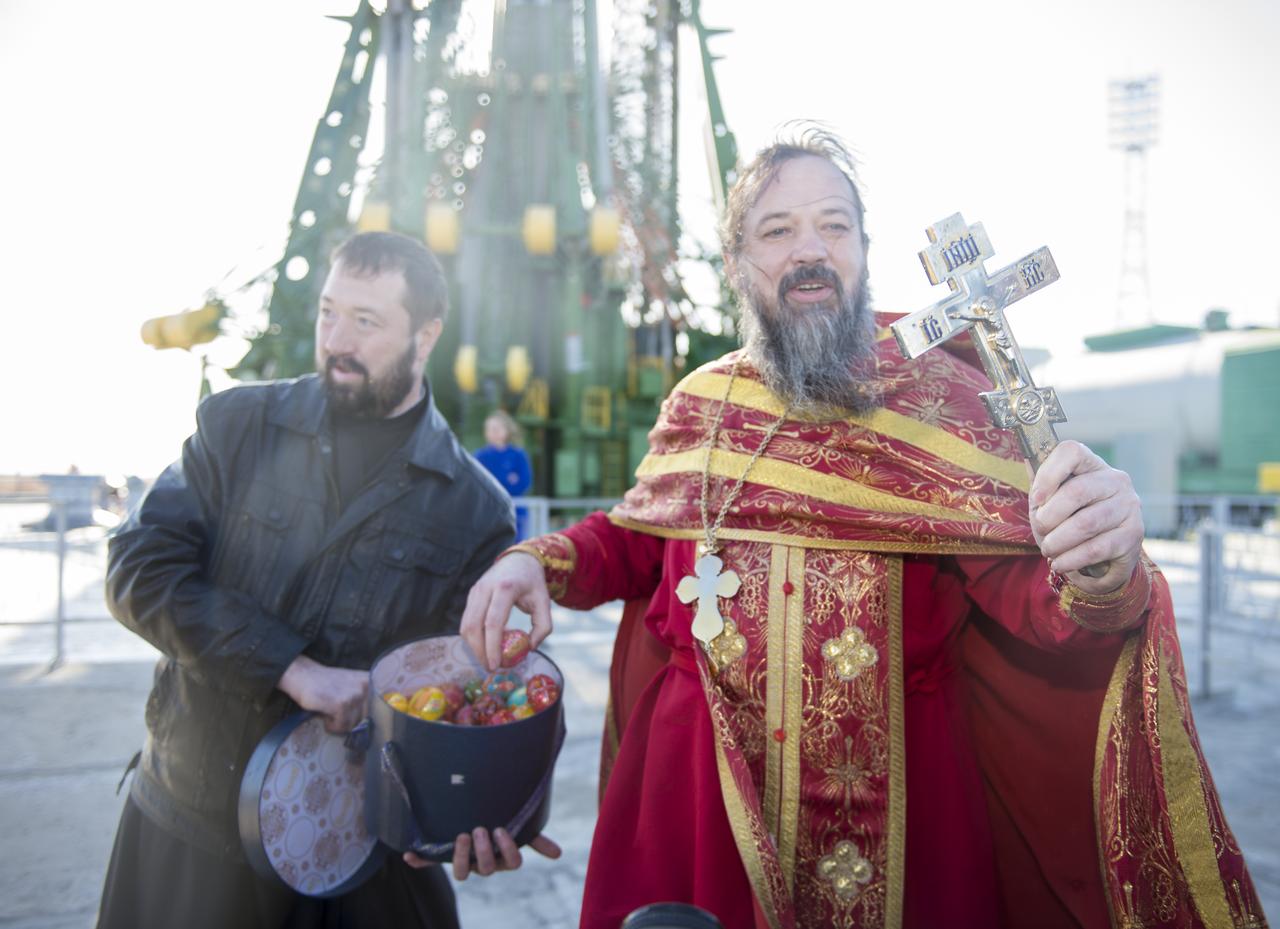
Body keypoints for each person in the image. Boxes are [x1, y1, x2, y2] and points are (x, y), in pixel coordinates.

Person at [459, 129, 1268, 928]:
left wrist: (1098, 561)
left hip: (909, 808)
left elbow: (1035, 599)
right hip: (699, 803)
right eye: (778, 230)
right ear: (741, 263)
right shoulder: (702, 401)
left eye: (833, 225)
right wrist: (537, 560)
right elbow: (637, 538)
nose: (810, 248)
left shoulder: (939, 404)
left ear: (862, 252)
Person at [97, 231, 545, 929]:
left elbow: (454, 699)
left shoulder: (474, 507)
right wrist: (293, 668)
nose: (337, 339)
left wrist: (477, 807)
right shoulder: (236, 424)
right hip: (188, 828)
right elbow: (137, 571)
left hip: (355, 853)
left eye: (366, 322)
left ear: (425, 336)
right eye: (329, 313)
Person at [475, 409, 533, 540]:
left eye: (496, 428)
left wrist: (496, 483)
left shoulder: (518, 455)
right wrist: (507, 480)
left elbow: (524, 484)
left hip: (516, 514)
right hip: (488, 514)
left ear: (507, 430)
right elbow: (478, 485)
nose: (492, 432)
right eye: (489, 429)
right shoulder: (480, 456)